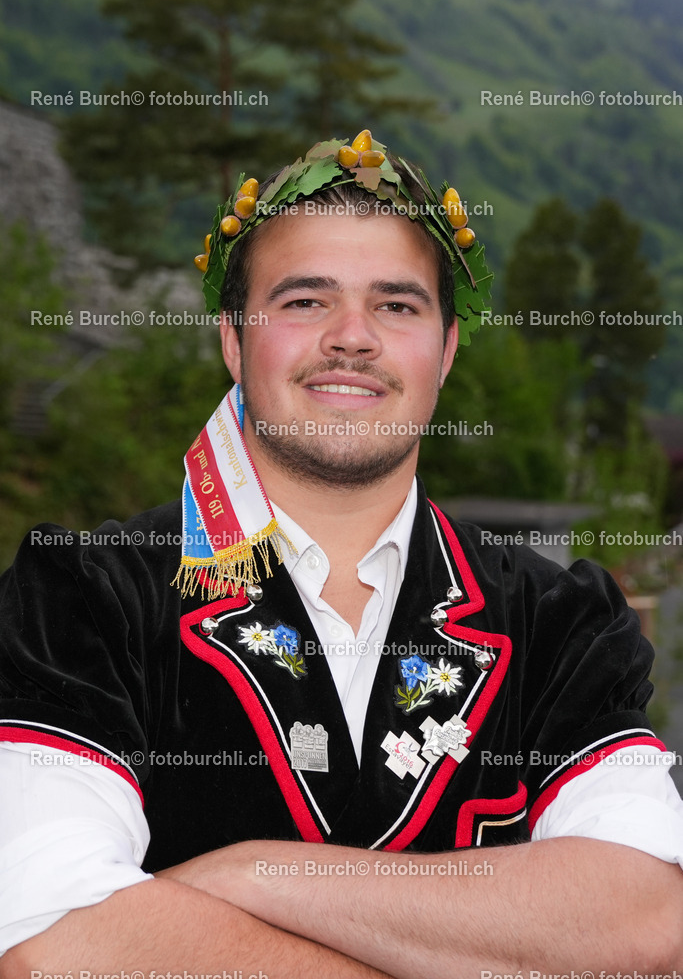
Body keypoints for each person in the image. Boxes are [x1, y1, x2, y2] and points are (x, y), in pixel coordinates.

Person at [1, 129, 682, 978]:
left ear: (445, 351)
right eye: (304, 301)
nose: (352, 337)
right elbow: (48, 941)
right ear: (231, 341)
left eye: (396, 305)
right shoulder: (84, 596)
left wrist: (255, 872)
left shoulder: (560, 619)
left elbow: (645, 916)